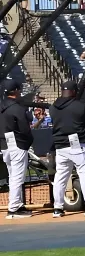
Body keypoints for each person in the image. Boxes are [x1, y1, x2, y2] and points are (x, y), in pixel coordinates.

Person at [48, 79, 85, 217]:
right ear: (74, 92)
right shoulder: (80, 106)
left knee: (60, 177)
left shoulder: (52, 107)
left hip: (60, 146)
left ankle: (57, 209)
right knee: (84, 175)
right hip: (78, 144)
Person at [1, 77, 36, 218]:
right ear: (15, 91)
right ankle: (14, 209)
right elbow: (25, 130)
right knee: (17, 178)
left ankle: (18, 205)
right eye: (19, 90)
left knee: (12, 176)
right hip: (17, 144)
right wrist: (27, 143)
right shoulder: (17, 108)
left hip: (4, 145)